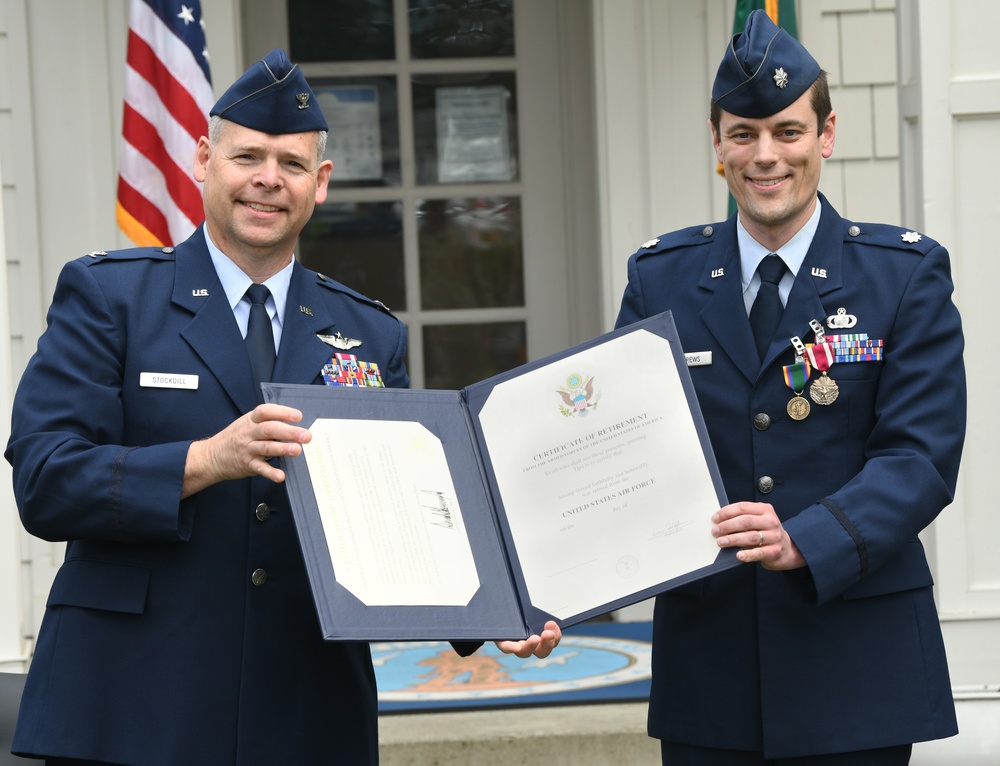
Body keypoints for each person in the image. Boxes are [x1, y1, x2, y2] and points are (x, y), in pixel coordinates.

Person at [5, 49, 559, 766]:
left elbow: (409, 510)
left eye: (292, 164)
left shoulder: (368, 331)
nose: (269, 180)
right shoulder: (111, 299)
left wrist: (500, 611)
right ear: (204, 160)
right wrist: (206, 460)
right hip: (135, 701)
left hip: (303, 707)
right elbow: (45, 481)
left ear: (320, 183)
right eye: (248, 157)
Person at [615, 11, 965, 766]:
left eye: (787, 131)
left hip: (856, 668)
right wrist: (557, 588)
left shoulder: (902, 277)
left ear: (827, 134)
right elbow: (620, 452)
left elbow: (921, 458)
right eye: (743, 134)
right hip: (711, 671)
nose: (765, 155)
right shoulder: (660, 279)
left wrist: (804, 537)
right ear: (717, 144)